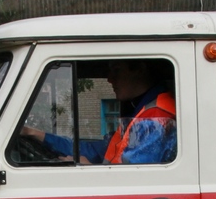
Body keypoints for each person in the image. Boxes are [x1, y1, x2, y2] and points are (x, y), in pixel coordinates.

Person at [21, 58, 176, 164]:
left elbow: (132, 179)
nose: (109, 79)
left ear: (140, 69)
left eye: (116, 70)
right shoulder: (140, 111)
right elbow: (93, 149)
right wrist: (34, 133)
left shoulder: (154, 118)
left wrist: (88, 168)